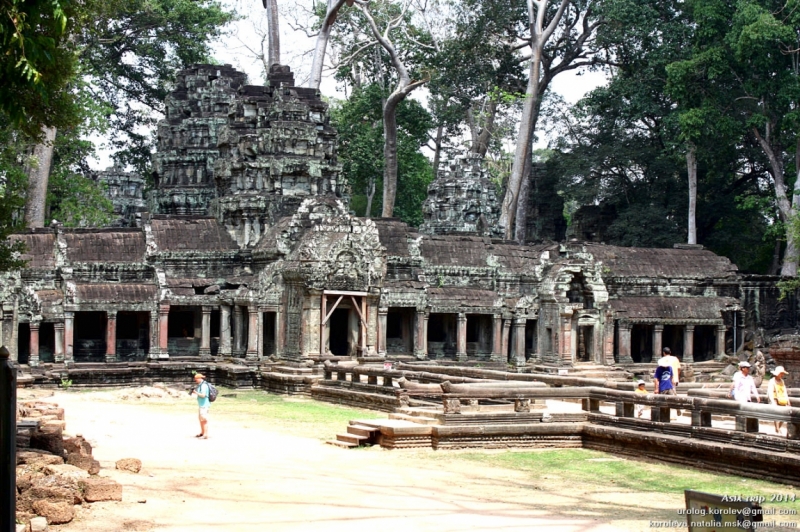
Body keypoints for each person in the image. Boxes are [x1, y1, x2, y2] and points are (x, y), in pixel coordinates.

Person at [767, 366, 791, 435]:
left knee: (785, 415)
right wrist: (772, 401)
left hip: (782, 399)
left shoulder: (782, 381)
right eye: (781, 373)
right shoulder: (772, 381)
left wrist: (787, 400)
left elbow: (784, 391)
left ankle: (778, 428)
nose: (782, 375)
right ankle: (777, 428)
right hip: (775, 399)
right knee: (776, 414)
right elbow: (770, 392)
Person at [191, 373, 210, 439]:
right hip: (201, 404)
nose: (195, 380)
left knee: (204, 419)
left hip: (204, 405)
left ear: (199, 379)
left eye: (196, 379)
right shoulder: (200, 385)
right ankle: (202, 432)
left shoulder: (204, 386)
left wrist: (196, 393)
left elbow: (203, 395)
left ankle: (206, 434)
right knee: (201, 419)